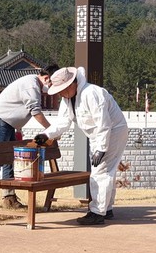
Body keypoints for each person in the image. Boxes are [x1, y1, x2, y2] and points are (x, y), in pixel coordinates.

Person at [34, 67, 128, 225]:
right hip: (96, 135)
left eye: (62, 90)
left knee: (100, 172)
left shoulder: (92, 93)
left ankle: (97, 212)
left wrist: (101, 149)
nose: (60, 94)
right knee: (106, 171)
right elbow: (63, 121)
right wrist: (46, 135)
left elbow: (104, 124)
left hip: (113, 132)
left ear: (72, 84)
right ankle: (106, 209)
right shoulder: (68, 98)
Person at [0, 64, 60, 209]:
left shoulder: (30, 82)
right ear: (47, 78)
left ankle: (9, 198)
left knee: (9, 160)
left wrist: (18, 127)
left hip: (6, 123)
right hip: (0, 121)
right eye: (53, 83)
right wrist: (51, 130)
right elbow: (35, 111)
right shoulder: (31, 85)